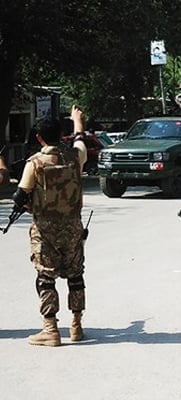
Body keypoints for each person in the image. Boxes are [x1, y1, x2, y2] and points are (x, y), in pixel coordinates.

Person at [13, 105, 88, 346]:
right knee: (76, 276)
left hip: (45, 231)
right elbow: (80, 140)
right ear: (61, 135)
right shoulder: (76, 157)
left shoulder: (35, 163)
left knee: (46, 278)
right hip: (73, 227)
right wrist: (78, 121)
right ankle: (76, 326)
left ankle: (51, 330)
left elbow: (20, 195)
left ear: (39, 137)